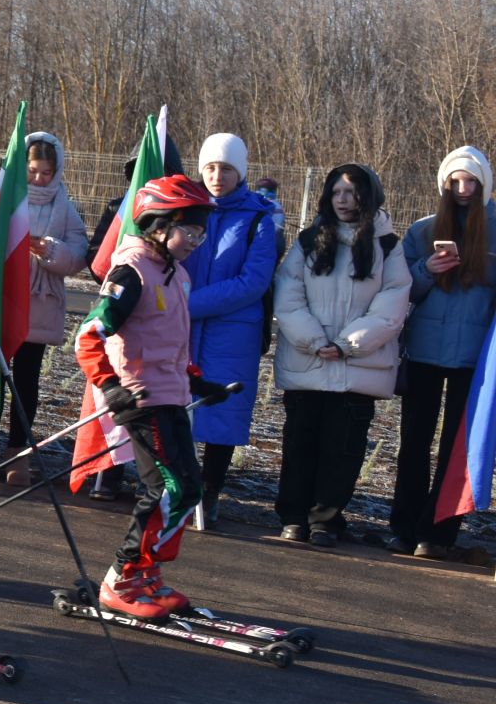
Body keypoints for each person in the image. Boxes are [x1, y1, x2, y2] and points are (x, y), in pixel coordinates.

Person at [75, 176, 233, 618]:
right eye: (191, 231)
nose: (197, 242)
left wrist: (195, 380)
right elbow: (87, 338)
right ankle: (121, 578)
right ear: (159, 226)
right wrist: (110, 387)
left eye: (203, 233)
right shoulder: (132, 273)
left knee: (188, 488)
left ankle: (147, 573)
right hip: (141, 399)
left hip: (171, 394)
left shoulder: (176, 275)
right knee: (168, 487)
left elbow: (166, 342)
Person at [272, 165, 409, 545]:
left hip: (358, 367)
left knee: (343, 450)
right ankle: (294, 517)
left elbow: (392, 304)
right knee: (300, 444)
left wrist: (348, 345)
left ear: (370, 195)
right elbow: (288, 295)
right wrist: (315, 341)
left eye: (352, 192)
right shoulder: (307, 241)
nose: (343, 200)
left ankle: (325, 520)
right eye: (336, 192)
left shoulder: (387, 247)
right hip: (307, 362)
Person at [0, 132, 89, 483]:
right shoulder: (1, 197)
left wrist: (52, 252)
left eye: (46, 173)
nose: (38, 179)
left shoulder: (64, 205)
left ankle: (19, 454)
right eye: (33, 171)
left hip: (38, 304)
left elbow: (79, 253)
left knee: (26, 380)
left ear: (57, 171)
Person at [389, 145, 496, 559]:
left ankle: (439, 533)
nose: (464, 188)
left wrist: (476, 264)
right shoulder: (422, 229)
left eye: (471, 181)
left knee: (457, 449)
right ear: (444, 184)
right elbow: (403, 291)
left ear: (484, 184)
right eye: (456, 181)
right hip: (423, 353)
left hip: (476, 360)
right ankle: (403, 527)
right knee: (413, 443)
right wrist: (426, 271)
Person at [186, 132, 279, 528]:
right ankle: (178, 487)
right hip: (184, 330)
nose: (216, 175)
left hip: (232, 333)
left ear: (240, 172)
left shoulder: (259, 218)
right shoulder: (187, 208)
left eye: (225, 168)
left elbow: (253, 281)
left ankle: (209, 490)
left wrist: (187, 305)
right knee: (176, 408)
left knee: (222, 412)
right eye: (210, 167)